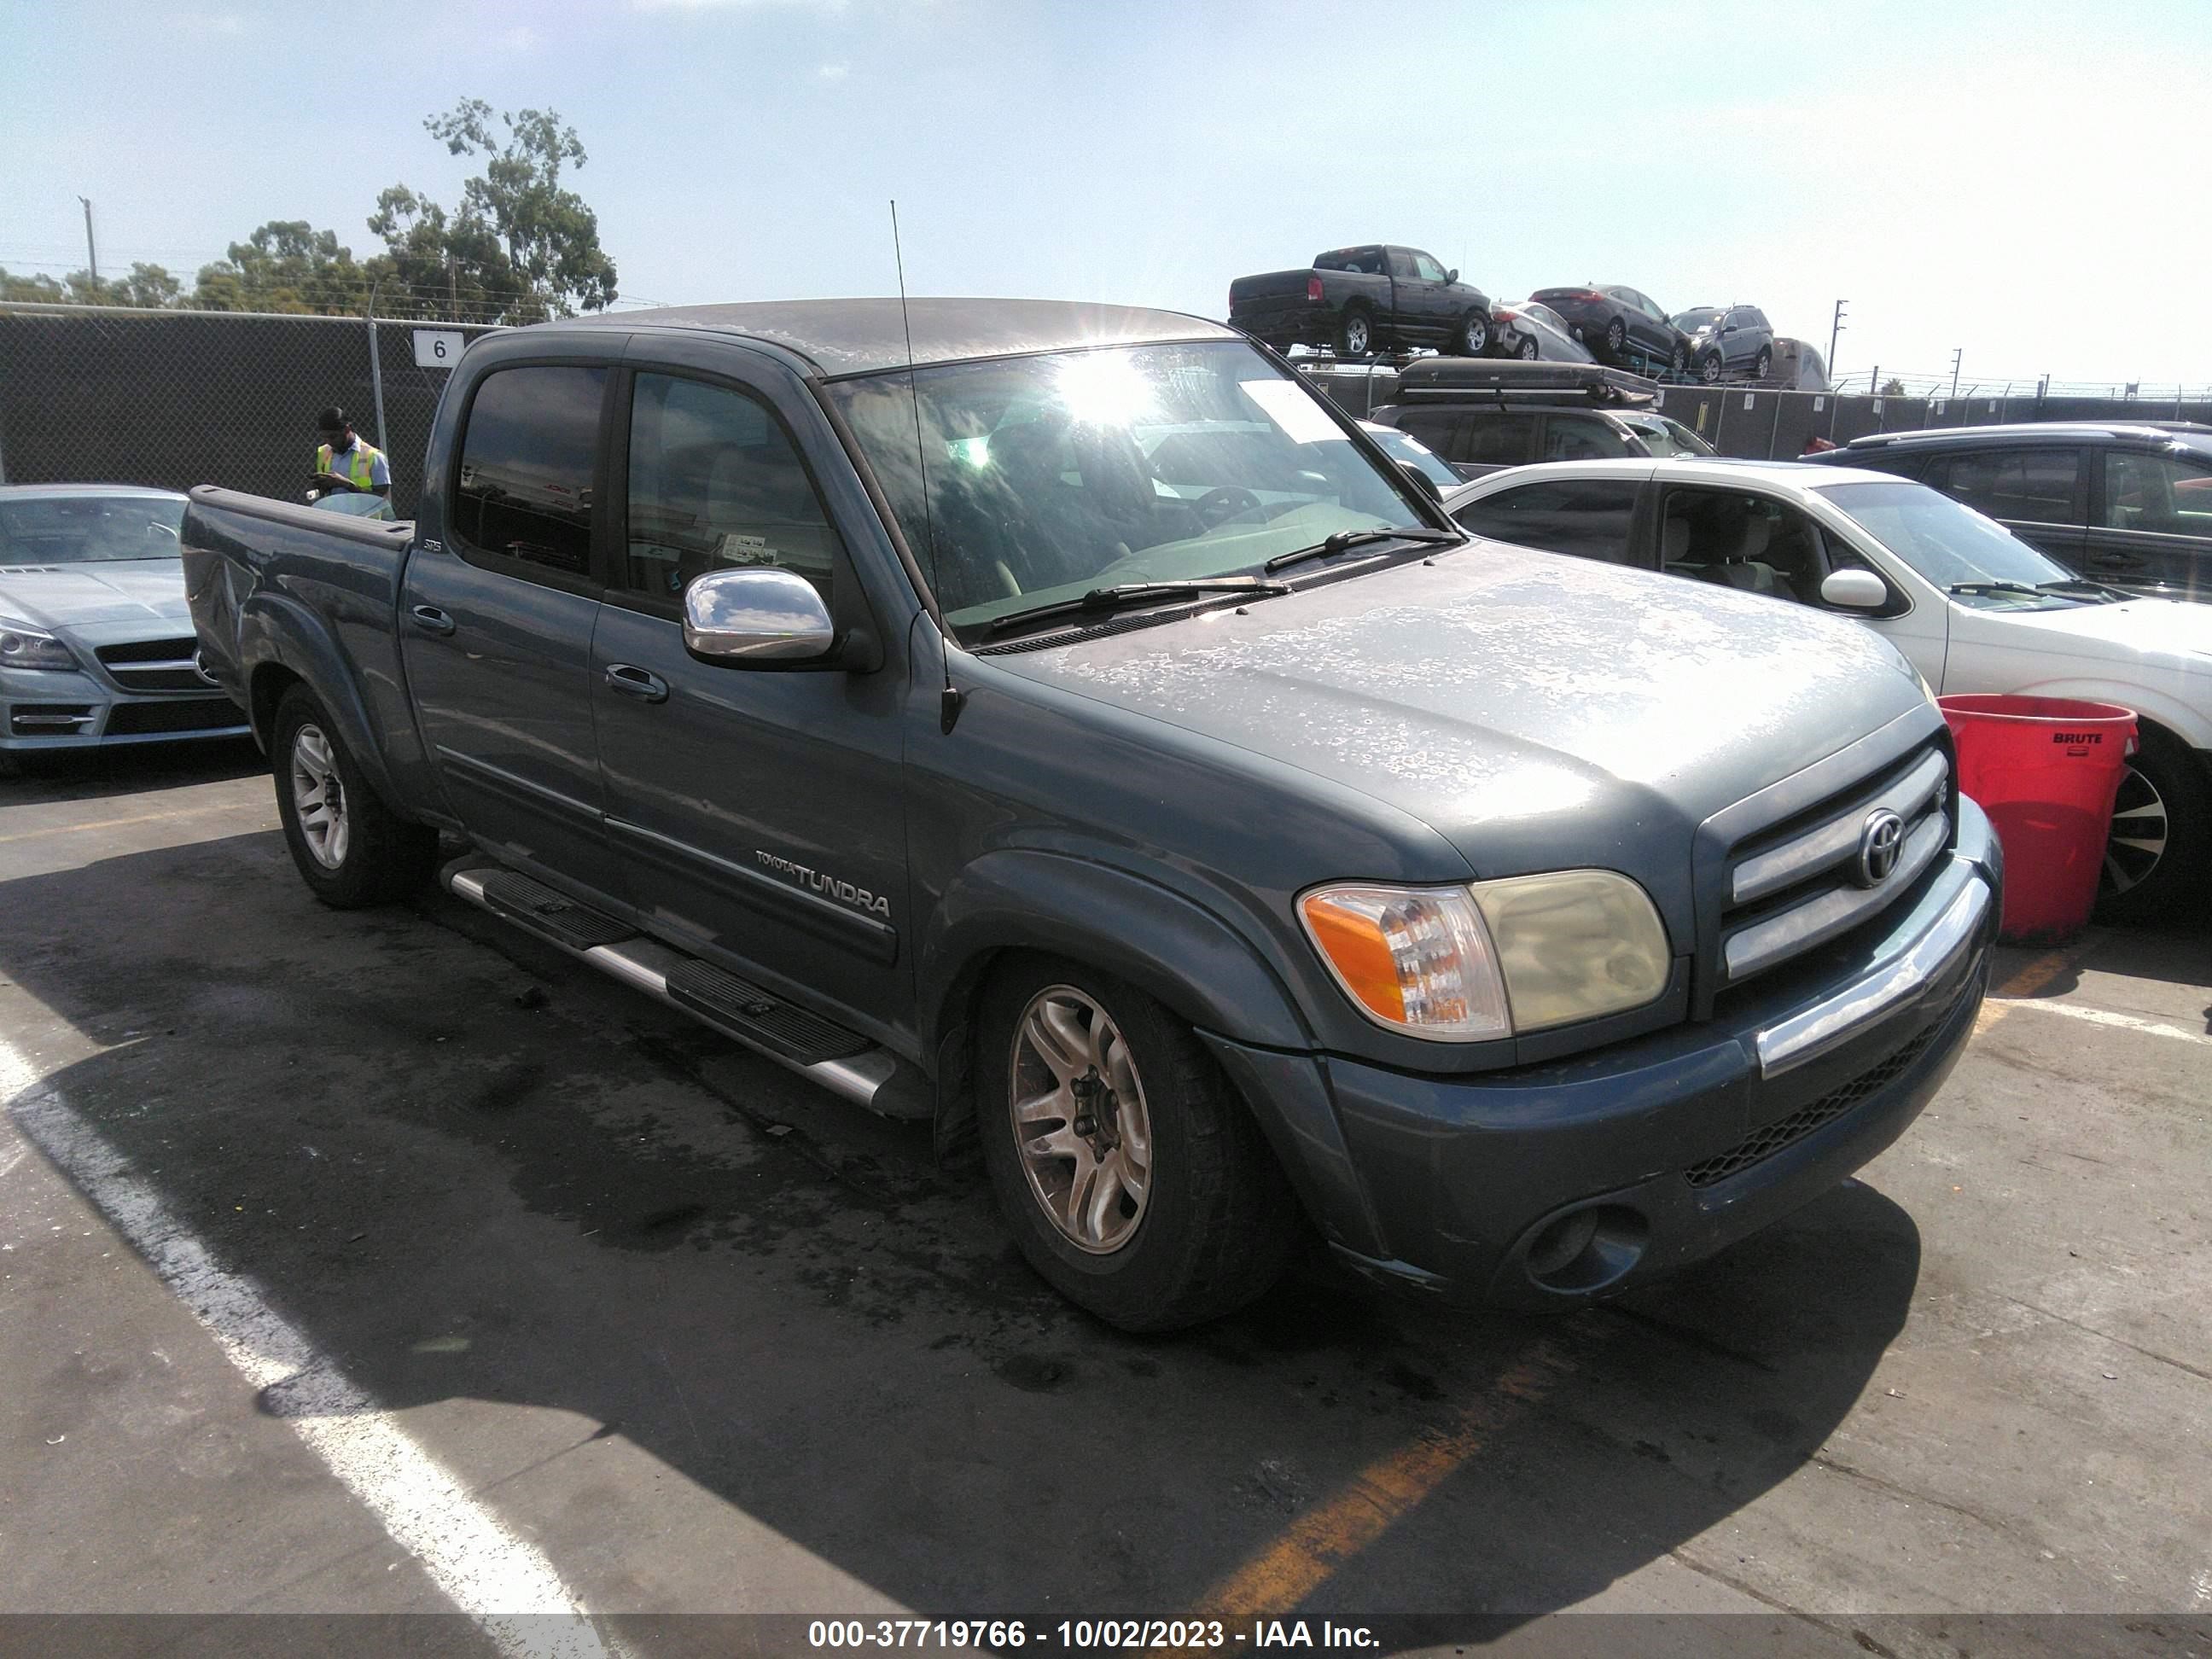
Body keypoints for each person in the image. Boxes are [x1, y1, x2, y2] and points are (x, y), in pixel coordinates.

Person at [315, 406, 391, 498]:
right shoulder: (323, 452)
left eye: (333, 437)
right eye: (324, 437)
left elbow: (380, 498)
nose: (328, 441)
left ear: (347, 430)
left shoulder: (374, 456)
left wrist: (347, 485)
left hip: (363, 512)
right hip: (333, 510)